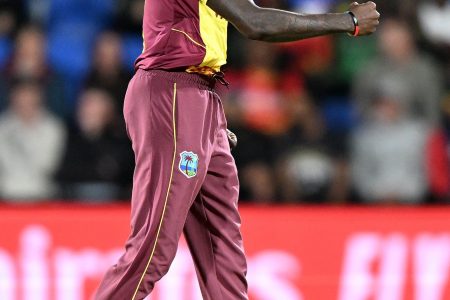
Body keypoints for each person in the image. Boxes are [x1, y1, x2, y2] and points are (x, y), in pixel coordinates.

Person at [95, 1, 379, 299]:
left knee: (223, 249)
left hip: (199, 96)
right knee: (153, 247)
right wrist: (347, 21)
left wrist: (205, 120)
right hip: (173, 94)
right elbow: (255, 22)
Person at [0, 79, 66, 201]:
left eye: (29, 98)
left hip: (41, 194)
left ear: (39, 99)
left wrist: (28, 133)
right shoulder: (3, 126)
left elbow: (46, 165)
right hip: (6, 194)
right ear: (13, 99)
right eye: (21, 98)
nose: (25, 103)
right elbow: (5, 164)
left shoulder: (52, 127)